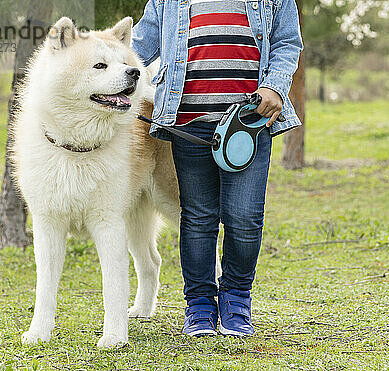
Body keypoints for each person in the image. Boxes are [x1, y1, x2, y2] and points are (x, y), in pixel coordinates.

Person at [132, 0, 303, 337]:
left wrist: (275, 85)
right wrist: (88, 56)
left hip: (249, 125)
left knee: (244, 217)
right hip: (187, 122)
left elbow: (287, 41)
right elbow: (137, 46)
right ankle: (199, 305)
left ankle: (237, 300)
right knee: (197, 217)